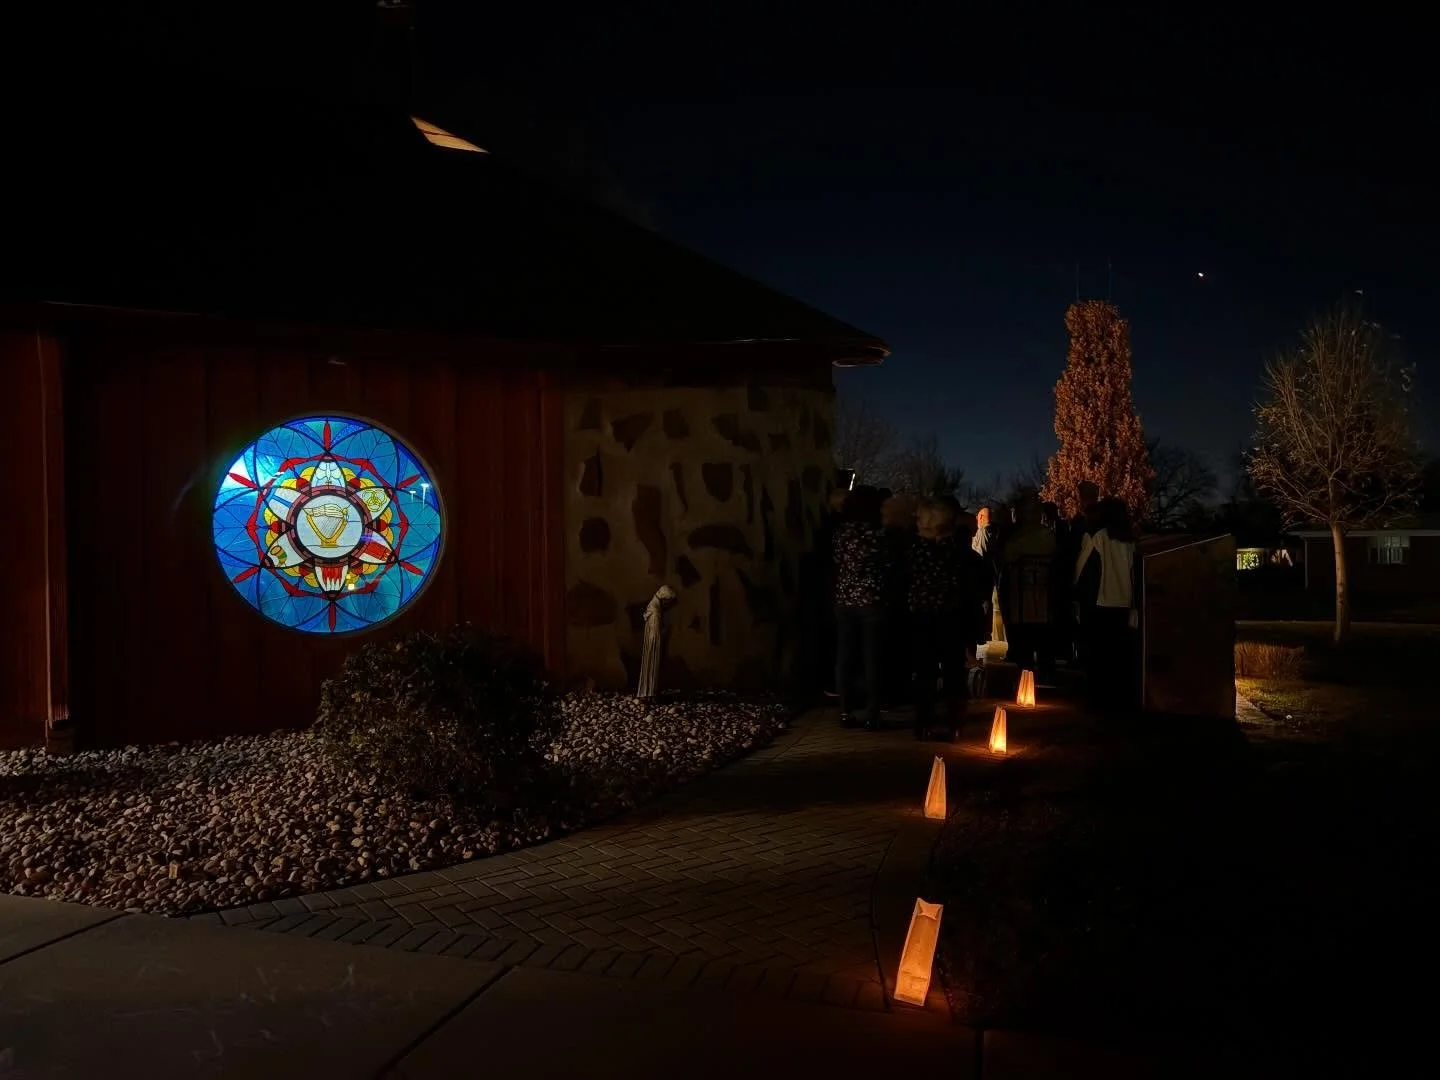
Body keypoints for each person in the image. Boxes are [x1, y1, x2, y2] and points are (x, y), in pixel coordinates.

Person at [906, 499, 969, 741]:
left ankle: (924, 722)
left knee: (925, 671)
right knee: (952, 670)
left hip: (924, 615)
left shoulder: (917, 549)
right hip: (950, 614)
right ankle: (954, 721)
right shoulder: (954, 549)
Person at [1074, 497, 1138, 710]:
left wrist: (1077, 594)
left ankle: (1098, 700)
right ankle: (1118, 699)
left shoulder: (1098, 537)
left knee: (1098, 656)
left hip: (1100, 602)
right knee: (1118, 656)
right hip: (1124, 603)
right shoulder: (1130, 541)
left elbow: (1083, 569)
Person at [833, 485, 888, 730]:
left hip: (845, 599)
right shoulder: (878, 534)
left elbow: (837, 561)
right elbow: (886, 564)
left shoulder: (841, 534)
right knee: (872, 658)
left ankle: (845, 710)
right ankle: (872, 712)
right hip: (872, 600)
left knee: (845, 657)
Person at [1001, 497, 1058, 683]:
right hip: (1044, 598)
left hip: (1022, 598)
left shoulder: (1018, 538)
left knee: (1024, 634)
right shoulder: (1049, 536)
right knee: (1043, 636)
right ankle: (1045, 669)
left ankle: (1025, 671)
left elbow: (1006, 557)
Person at [880, 494, 919, 707]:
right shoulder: (907, 539)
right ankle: (898, 691)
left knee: (890, 648)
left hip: (890, 599)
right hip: (900, 599)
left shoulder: (884, 538)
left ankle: (890, 693)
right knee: (899, 649)